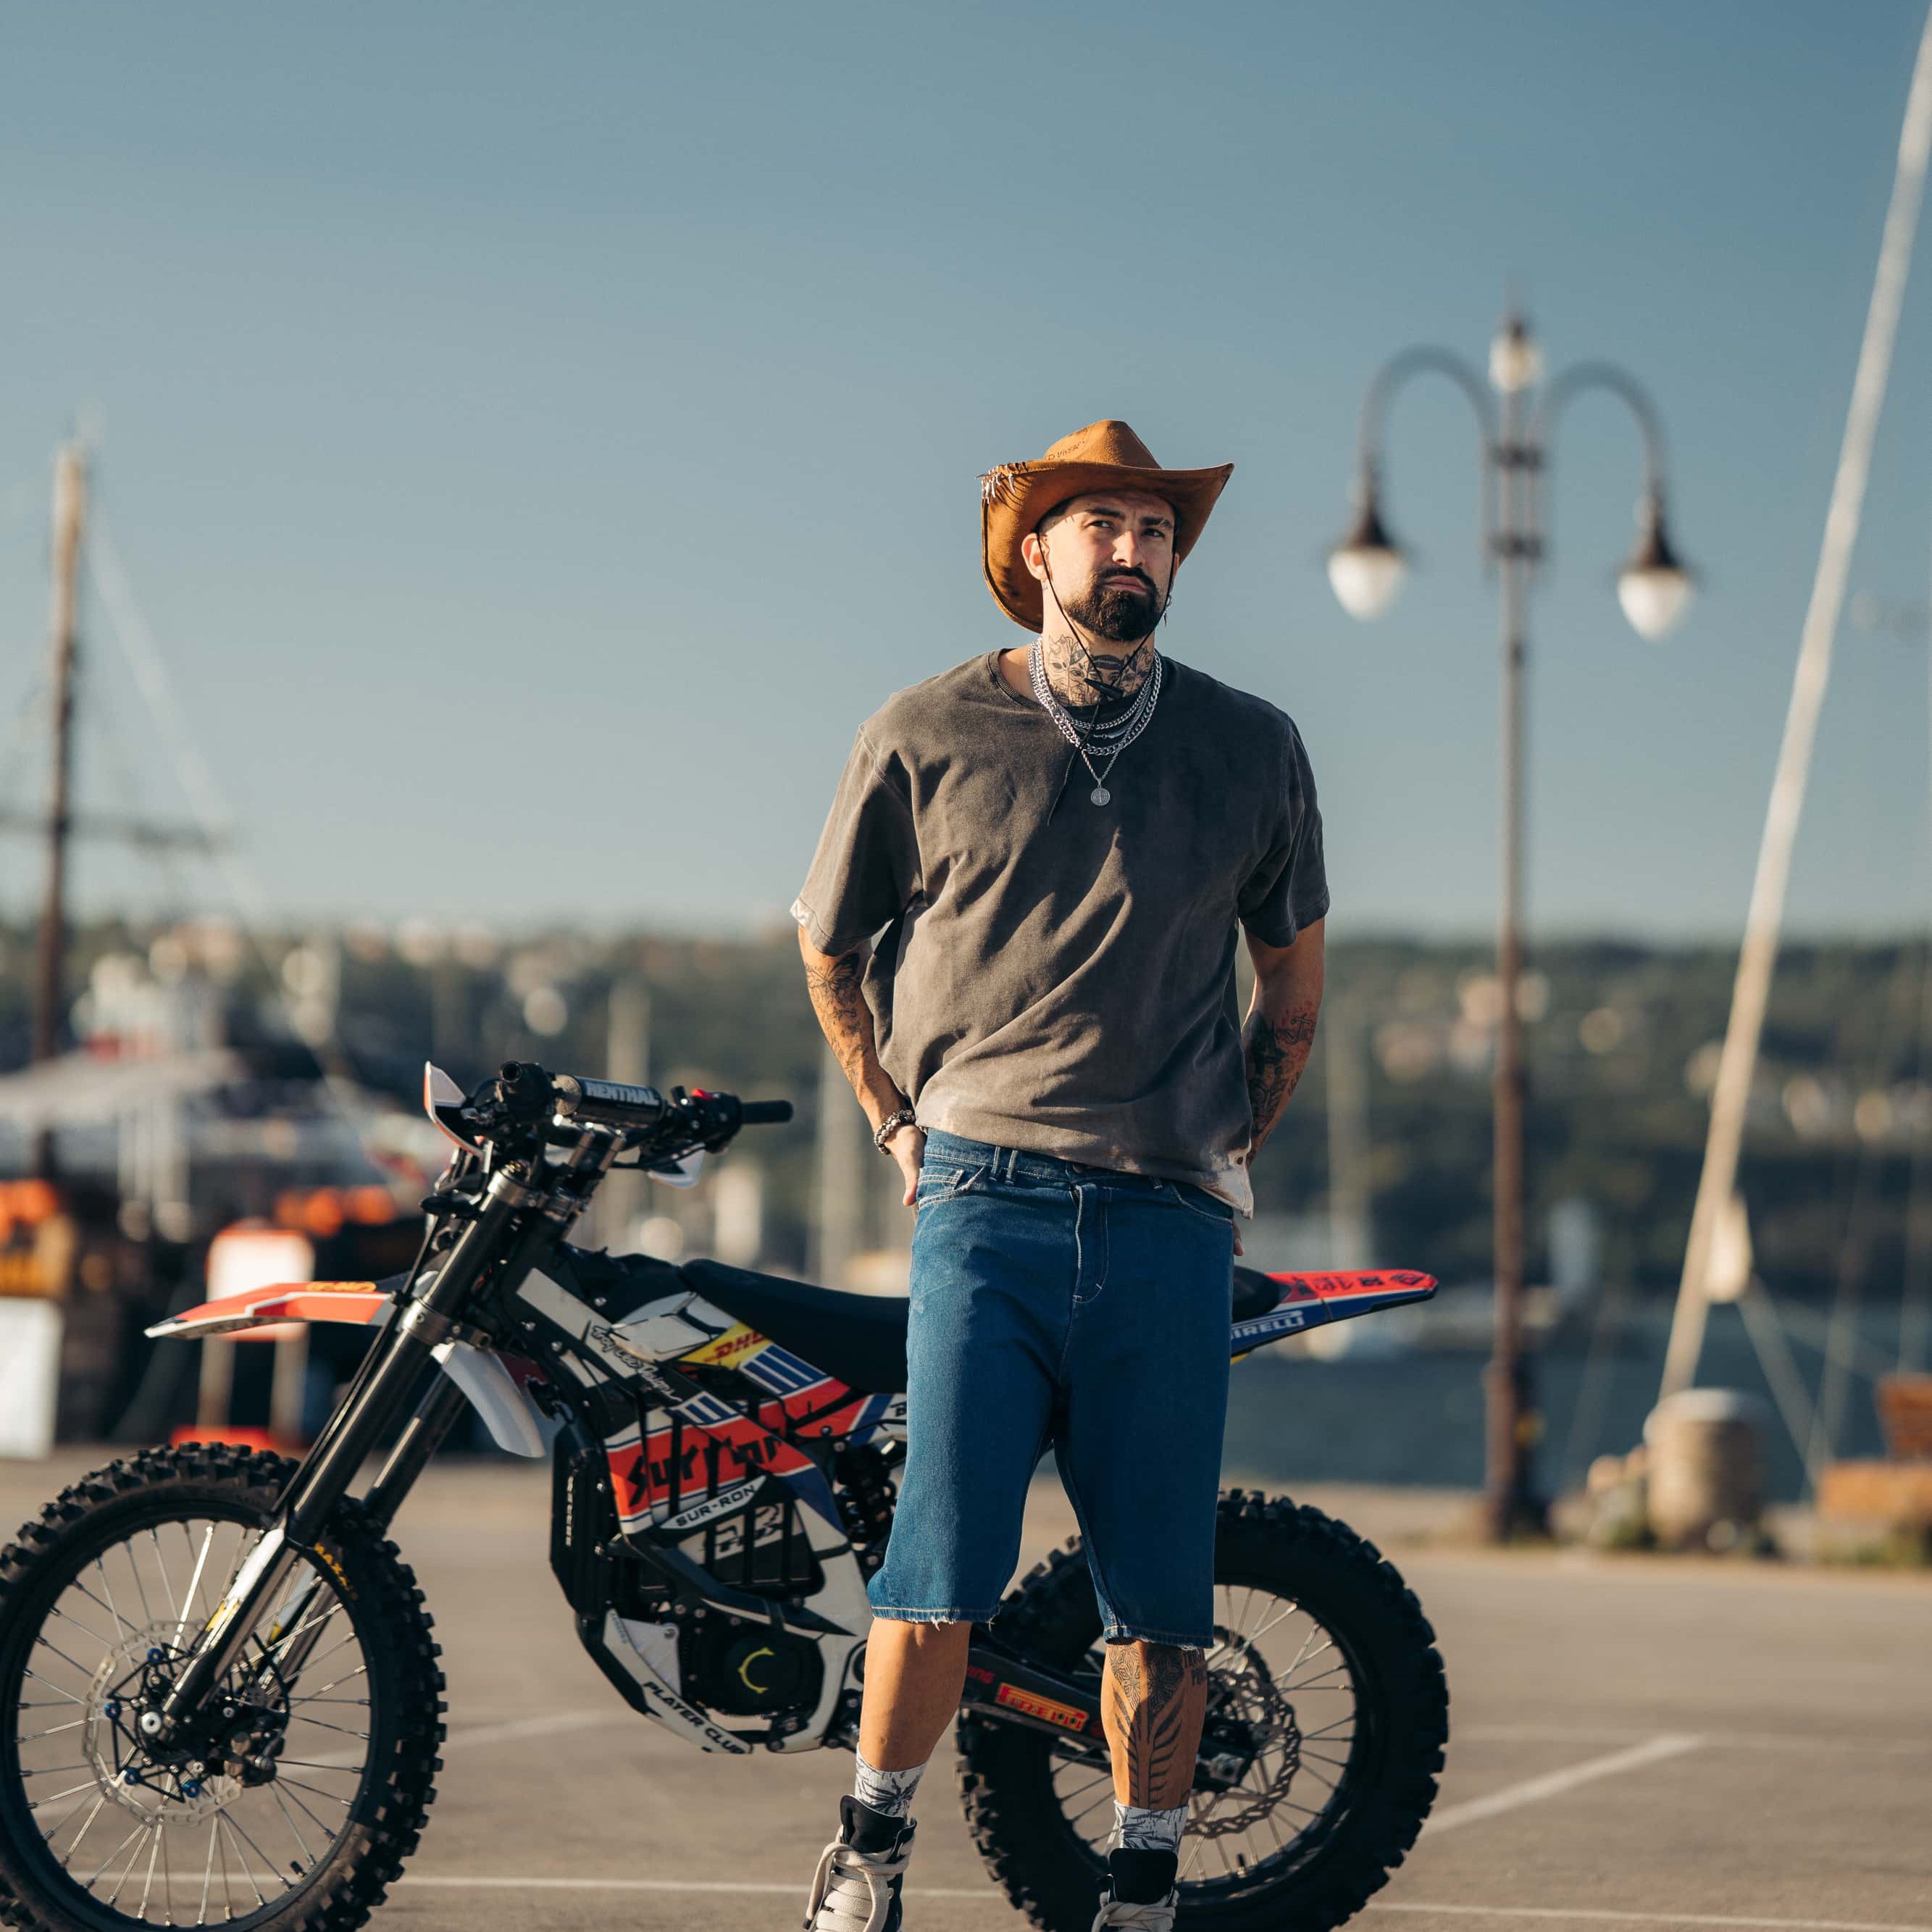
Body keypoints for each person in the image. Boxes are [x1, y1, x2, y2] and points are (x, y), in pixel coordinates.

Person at [792, 419, 1327, 1932]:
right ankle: (868, 1857)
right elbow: (829, 948)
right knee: (937, 1570)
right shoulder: (925, 730)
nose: (1133, 550)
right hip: (985, 1200)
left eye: (1155, 530)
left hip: (1168, 1218)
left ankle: (1141, 1887)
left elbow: (1290, 983)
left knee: (1160, 1600)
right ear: (1034, 551)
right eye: (1103, 525)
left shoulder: (1252, 747)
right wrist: (896, 1125)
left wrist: (1225, 1149)